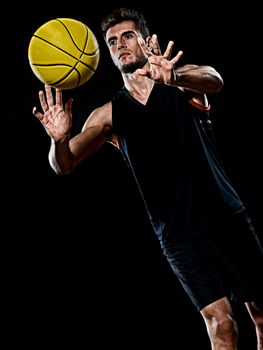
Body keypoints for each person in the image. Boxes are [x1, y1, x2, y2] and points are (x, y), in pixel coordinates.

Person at [32, 7, 263, 349]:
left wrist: (176, 77)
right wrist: (59, 140)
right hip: (177, 235)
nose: (120, 45)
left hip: (225, 216)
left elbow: (214, 79)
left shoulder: (179, 82)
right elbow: (63, 164)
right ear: (107, 54)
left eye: (127, 36)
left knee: (260, 312)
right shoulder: (108, 114)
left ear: (146, 40)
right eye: (112, 41)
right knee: (220, 324)